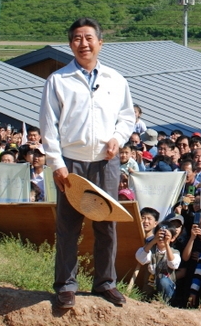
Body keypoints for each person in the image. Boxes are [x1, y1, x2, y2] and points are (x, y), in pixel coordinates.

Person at [40, 18, 136, 309]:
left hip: (106, 163)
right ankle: (66, 286)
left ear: (100, 43)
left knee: (106, 225)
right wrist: (57, 163)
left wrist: (117, 138)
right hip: (72, 163)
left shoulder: (116, 79)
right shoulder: (58, 80)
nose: (84, 44)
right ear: (71, 44)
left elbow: (127, 117)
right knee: (68, 226)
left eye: (89, 38)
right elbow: (48, 125)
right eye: (77, 39)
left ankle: (105, 284)